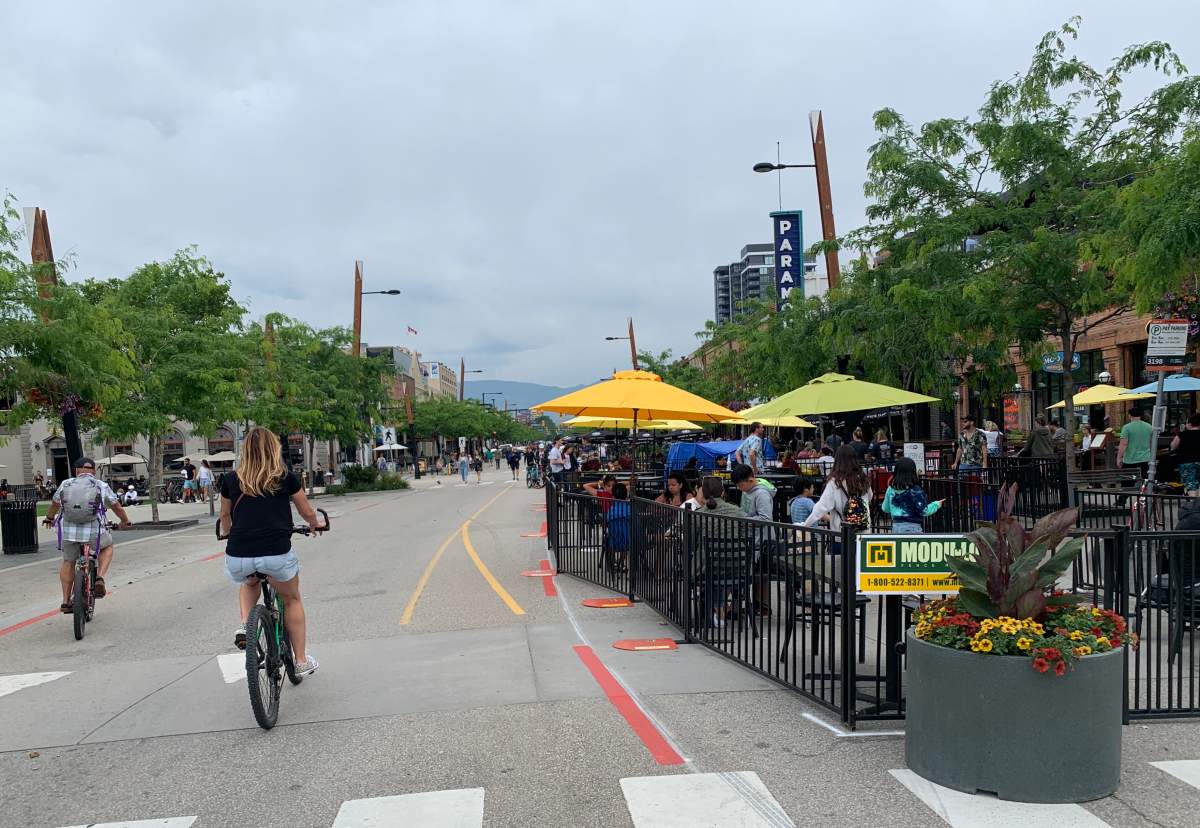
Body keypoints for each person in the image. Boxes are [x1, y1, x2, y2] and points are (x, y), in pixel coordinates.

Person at [219, 427, 324, 675]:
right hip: (275, 553)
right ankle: (300, 662)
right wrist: (313, 524)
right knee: (292, 599)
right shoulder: (284, 477)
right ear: (274, 448)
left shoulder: (231, 480)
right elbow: (305, 510)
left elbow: (225, 515)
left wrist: (227, 531)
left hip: (239, 554)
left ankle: (246, 626)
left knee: (250, 580)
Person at [42, 457, 133, 614]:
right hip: (93, 534)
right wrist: (124, 521)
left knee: (68, 561)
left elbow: (55, 504)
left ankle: (65, 601)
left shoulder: (66, 484)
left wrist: (49, 518)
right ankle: (100, 578)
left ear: (76, 471)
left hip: (69, 532)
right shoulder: (100, 485)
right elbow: (116, 506)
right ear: (94, 471)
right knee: (107, 546)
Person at [802, 445, 873, 551]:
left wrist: (805, 524)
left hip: (841, 533)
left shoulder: (835, 482)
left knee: (842, 565)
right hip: (864, 533)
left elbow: (821, 507)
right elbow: (870, 497)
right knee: (861, 566)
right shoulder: (863, 478)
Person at [732, 463, 776, 616]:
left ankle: (762, 606)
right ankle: (751, 605)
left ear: (750, 480)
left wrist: (743, 519)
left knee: (760, 574)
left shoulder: (761, 494)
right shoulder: (747, 491)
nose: (739, 488)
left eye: (740, 484)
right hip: (749, 538)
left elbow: (766, 519)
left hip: (761, 541)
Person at [881, 457, 943, 534]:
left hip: (896, 526)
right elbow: (924, 511)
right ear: (913, 472)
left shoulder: (890, 489)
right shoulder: (915, 490)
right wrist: (936, 504)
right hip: (913, 527)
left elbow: (885, 508)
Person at [1118, 407, 1155, 479]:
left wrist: (1119, 458)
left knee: (1128, 484)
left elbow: (1123, 444)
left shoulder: (1126, 428)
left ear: (1129, 415)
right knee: (1145, 483)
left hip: (1130, 460)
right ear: (1141, 415)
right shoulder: (1149, 427)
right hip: (1145, 458)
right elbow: (1151, 442)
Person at [1172, 413, 1200, 495]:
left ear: (1190, 424)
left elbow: (1173, 446)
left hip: (1186, 462)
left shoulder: (1182, 435)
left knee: (1190, 483)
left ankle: (1193, 503)